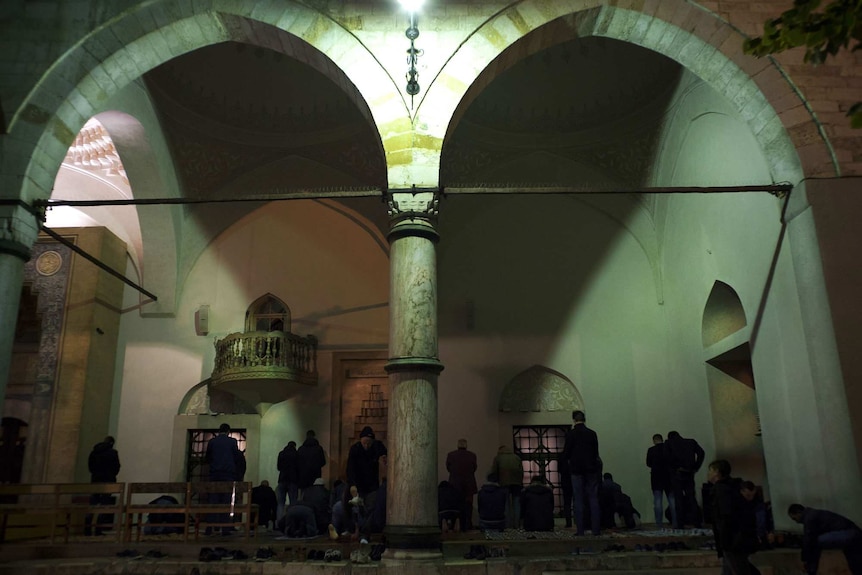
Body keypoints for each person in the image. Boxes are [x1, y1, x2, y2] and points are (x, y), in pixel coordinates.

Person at [707, 459, 758, 575]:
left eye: (710, 471)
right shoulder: (734, 487)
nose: (708, 474)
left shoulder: (721, 490)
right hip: (737, 537)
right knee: (730, 568)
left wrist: (724, 541)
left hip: (732, 540)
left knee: (739, 568)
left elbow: (725, 516)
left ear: (717, 472)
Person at [788, 503, 862, 575]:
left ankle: (811, 571)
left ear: (798, 513)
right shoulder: (814, 514)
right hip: (855, 534)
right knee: (854, 562)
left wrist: (804, 559)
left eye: (794, 518)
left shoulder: (809, 517)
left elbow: (808, 540)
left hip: (848, 534)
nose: (796, 522)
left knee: (814, 542)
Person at [563, 409, 602, 536]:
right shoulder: (592, 434)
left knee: (578, 500)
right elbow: (596, 453)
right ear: (584, 419)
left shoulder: (571, 434)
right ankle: (596, 529)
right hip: (591, 469)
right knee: (593, 499)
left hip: (576, 470)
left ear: (574, 420)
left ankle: (580, 530)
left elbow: (566, 453)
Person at [204, 423, 246, 534]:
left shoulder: (212, 442)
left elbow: (207, 458)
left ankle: (210, 527)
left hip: (214, 474)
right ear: (228, 431)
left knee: (213, 501)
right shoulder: (232, 442)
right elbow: (236, 457)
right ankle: (225, 528)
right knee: (226, 501)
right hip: (228, 474)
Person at [666, 430, 705, 528]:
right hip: (689, 473)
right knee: (691, 497)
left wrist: (675, 467)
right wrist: (696, 467)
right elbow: (701, 453)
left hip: (676, 474)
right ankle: (697, 522)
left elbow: (667, 458)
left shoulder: (668, 443)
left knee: (678, 499)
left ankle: (680, 523)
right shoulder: (691, 442)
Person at [85, 435, 121, 536]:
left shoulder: (94, 452)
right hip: (108, 481)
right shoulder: (112, 453)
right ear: (111, 443)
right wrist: (111, 475)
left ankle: (87, 529)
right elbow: (116, 467)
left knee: (92, 505)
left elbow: (90, 466)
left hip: (95, 480)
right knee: (104, 506)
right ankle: (98, 529)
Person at [446, 438, 478, 531]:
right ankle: (467, 524)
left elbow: (448, 467)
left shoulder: (451, 455)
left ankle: (455, 524)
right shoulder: (472, 455)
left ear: (457, 445)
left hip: (454, 484)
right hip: (469, 483)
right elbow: (474, 468)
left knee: (455, 505)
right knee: (468, 505)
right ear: (466, 446)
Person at [346, 426, 387, 498]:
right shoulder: (355, 449)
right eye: (364, 443)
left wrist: (384, 456)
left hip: (372, 485)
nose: (366, 446)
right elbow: (350, 468)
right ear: (361, 440)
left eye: (369, 443)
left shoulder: (377, 446)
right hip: (359, 483)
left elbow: (384, 453)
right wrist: (352, 484)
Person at [646, 433, 676, 529]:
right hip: (668, 477)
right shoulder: (669, 448)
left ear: (654, 440)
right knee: (672, 501)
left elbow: (648, 463)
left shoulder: (651, 450)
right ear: (662, 439)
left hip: (656, 477)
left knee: (658, 501)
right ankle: (676, 522)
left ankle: (659, 524)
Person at [491, 444, 523, 529]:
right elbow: (521, 471)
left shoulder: (498, 458)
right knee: (516, 503)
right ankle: (517, 524)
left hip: (504, 483)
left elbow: (494, 471)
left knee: (506, 504)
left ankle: (508, 525)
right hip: (516, 483)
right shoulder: (516, 457)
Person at [740, 481, 773, 548]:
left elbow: (767, 520)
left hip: (760, 535)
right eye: (748, 495)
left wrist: (770, 532)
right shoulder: (739, 506)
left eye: (752, 495)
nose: (751, 498)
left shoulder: (760, 505)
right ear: (741, 492)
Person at [297, 430, 327, 496]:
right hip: (315, 475)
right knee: (314, 494)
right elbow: (323, 462)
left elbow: (297, 463)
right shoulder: (319, 448)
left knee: (303, 495)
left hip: (303, 476)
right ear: (314, 436)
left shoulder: (301, 449)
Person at [276, 440, 299, 520]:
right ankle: (292, 522)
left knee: (280, 503)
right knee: (293, 502)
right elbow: (298, 468)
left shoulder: (281, 453)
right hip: (293, 480)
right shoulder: (296, 454)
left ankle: (279, 522)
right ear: (294, 446)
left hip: (282, 479)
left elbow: (278, 467)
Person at [558, 452, 573, 528]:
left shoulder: (562, 456)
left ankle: (568, 522)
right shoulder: (574, 454)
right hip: (574, 480)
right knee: (578, 501)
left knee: (567, 503)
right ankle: (579, 522)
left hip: (565, 482)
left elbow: (559, 469)